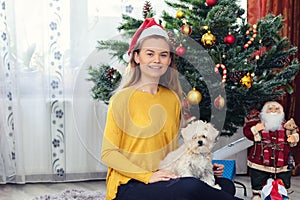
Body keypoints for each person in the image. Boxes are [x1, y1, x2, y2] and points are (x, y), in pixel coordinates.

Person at [101, 17, 241, 200]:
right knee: (193, 188)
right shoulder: (121, 99)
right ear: (137, 57)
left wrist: (199, 162)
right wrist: (147, 176)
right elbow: (108, 154)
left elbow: (172, 150)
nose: (157, 60)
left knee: (225, 185)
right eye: (149, 54)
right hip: (130, 184)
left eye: (163, 55)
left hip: (164, 176)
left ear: (169, 60)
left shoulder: (171, 98)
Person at [243, 101, 299, 200]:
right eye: (270, 109)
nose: (273, 111)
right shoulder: (258, 123)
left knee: (284, 177)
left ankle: (282, 193)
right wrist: (255, 129)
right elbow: (247, 132)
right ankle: (257, 194)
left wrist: (294, 137)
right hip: (261, 158)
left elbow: (295, 132)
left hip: (282, 158)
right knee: (258, 176)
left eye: (277, 109)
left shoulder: (287, 125)